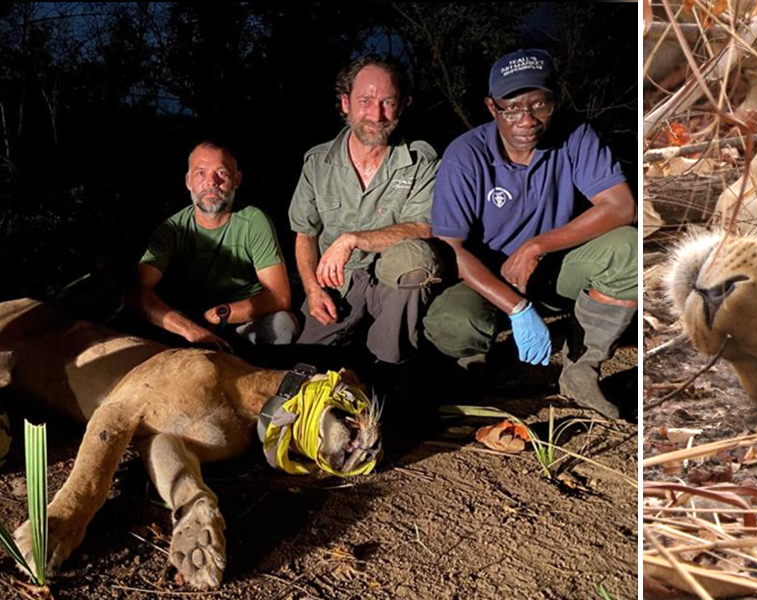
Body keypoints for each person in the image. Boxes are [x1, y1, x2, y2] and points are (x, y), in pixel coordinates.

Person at [425, 49, 637, 419]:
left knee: (629, 251)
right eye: (512, 107)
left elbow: (621, 206)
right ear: (492, 108)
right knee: (452, 324)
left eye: (540, 104)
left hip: (554, 269)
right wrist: (517, 308)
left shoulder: (574, 136)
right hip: (488, 277)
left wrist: (537, 246)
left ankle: (581, 369)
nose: (527, 119)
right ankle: (476, 368)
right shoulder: (465, 155)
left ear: (555, 99)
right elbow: (450, 247)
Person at [288, 54, 441, 377]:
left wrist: (353, 239)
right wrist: (313, 290)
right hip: (339, 283)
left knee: (416, 260)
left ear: (403, 105)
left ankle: (392, 366)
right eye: (366, 101)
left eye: (388, 102)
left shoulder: (421, 160)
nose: (376, 114)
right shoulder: (318, 163)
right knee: (302, 366)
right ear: (345, 103)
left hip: (392, 279)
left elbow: (424, 226)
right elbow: (305, 233)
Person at [128, 141, 297, 351]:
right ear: (188, 181)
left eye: (222, 173)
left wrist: (224, 313)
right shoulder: (171, 229)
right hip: (190, 322)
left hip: (241, 321)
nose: (211, 182)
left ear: (236, 180)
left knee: (283, 325)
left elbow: (280, 296)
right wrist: (188, 329)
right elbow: (139, 291)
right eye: (201, 173)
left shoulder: (254, 220)